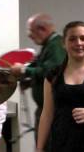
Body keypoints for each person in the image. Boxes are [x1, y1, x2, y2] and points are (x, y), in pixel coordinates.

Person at [36, 21, 84, 152]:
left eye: (83, 38)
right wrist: (39, 148)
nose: (78, 43)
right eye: (72, 39)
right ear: (64, 43)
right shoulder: (53, 75)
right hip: (60, 145)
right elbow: (47, 114)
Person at [10, 13, 66, 142]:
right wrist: (31, 82)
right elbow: (46, 73)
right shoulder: (50, 45)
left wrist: (23, 69)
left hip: (53, 113)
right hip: (47, 110)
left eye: (31, 34)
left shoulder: (56, 46)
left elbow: (51, 71)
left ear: (43, 29)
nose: (31, 38)